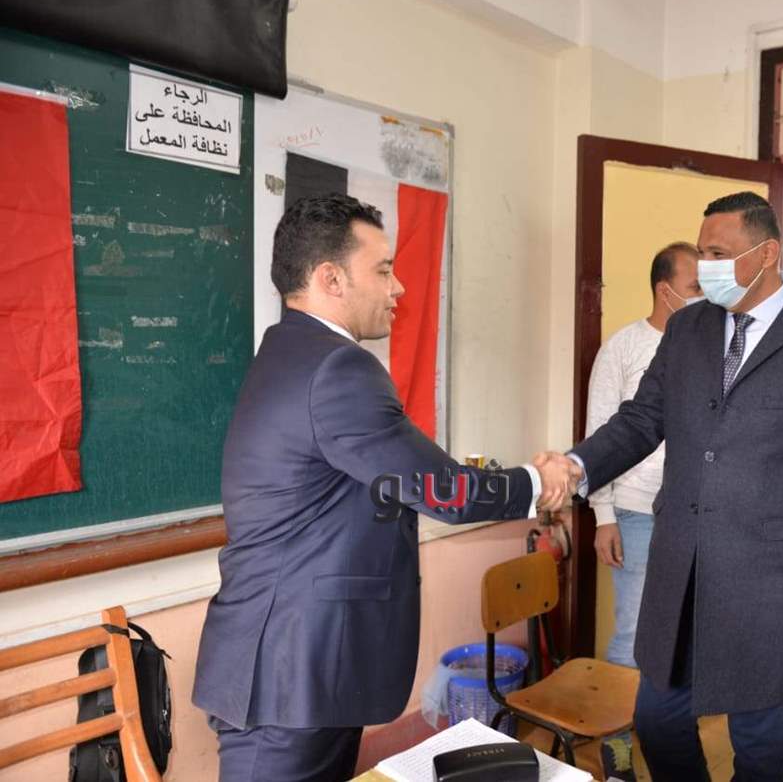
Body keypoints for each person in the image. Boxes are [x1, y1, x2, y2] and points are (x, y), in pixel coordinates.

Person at [193, 194, 574, 782]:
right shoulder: (336, 368)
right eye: (383, 270)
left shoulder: (289, 351)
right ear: (330, 278)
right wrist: (537, 481)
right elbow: (443, 490)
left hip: (298, 664)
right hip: (290, 673)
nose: (398, 288)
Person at [539, 192, 783, 782]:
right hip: (682, 571)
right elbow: (640, 420)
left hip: (774, 586)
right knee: (658, 722)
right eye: (702, 253)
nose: (706, 266)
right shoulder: (688, 328)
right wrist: (577, 464)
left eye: (718, 253)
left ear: (767, 253)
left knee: (760, 746)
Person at [586, 242, 702, 781]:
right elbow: (601, 434)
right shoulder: (624, 349)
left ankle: (670, 735)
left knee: (686, 635)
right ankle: (617, 753)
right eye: (696, 286)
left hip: (693, 515)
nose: (704, 296)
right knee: (633, 636)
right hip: (635, 513)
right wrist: (603, 515)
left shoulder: (708, 346)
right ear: (665, 289)